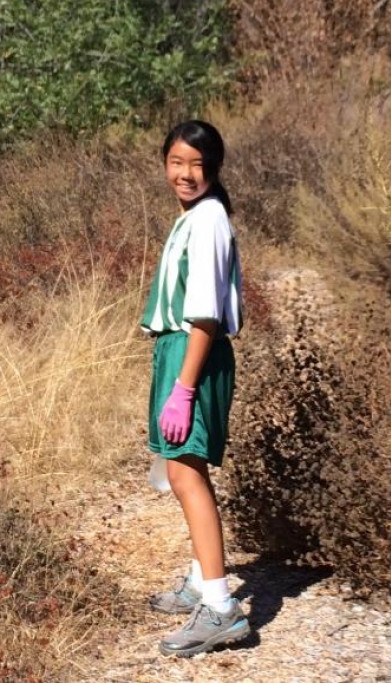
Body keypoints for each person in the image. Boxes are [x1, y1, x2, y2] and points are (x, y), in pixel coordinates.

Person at [140, 119, 251, 658]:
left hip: (194, 356)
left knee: (185, 473)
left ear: (214, 168)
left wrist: (184, 388)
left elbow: (205, 314)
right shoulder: (191, 215)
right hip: (178, 353)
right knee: (188, 471)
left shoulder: (209, 220)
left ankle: (221, 610)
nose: (185, 174)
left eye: (197, 164)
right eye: (176, 162)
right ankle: (199, 580)